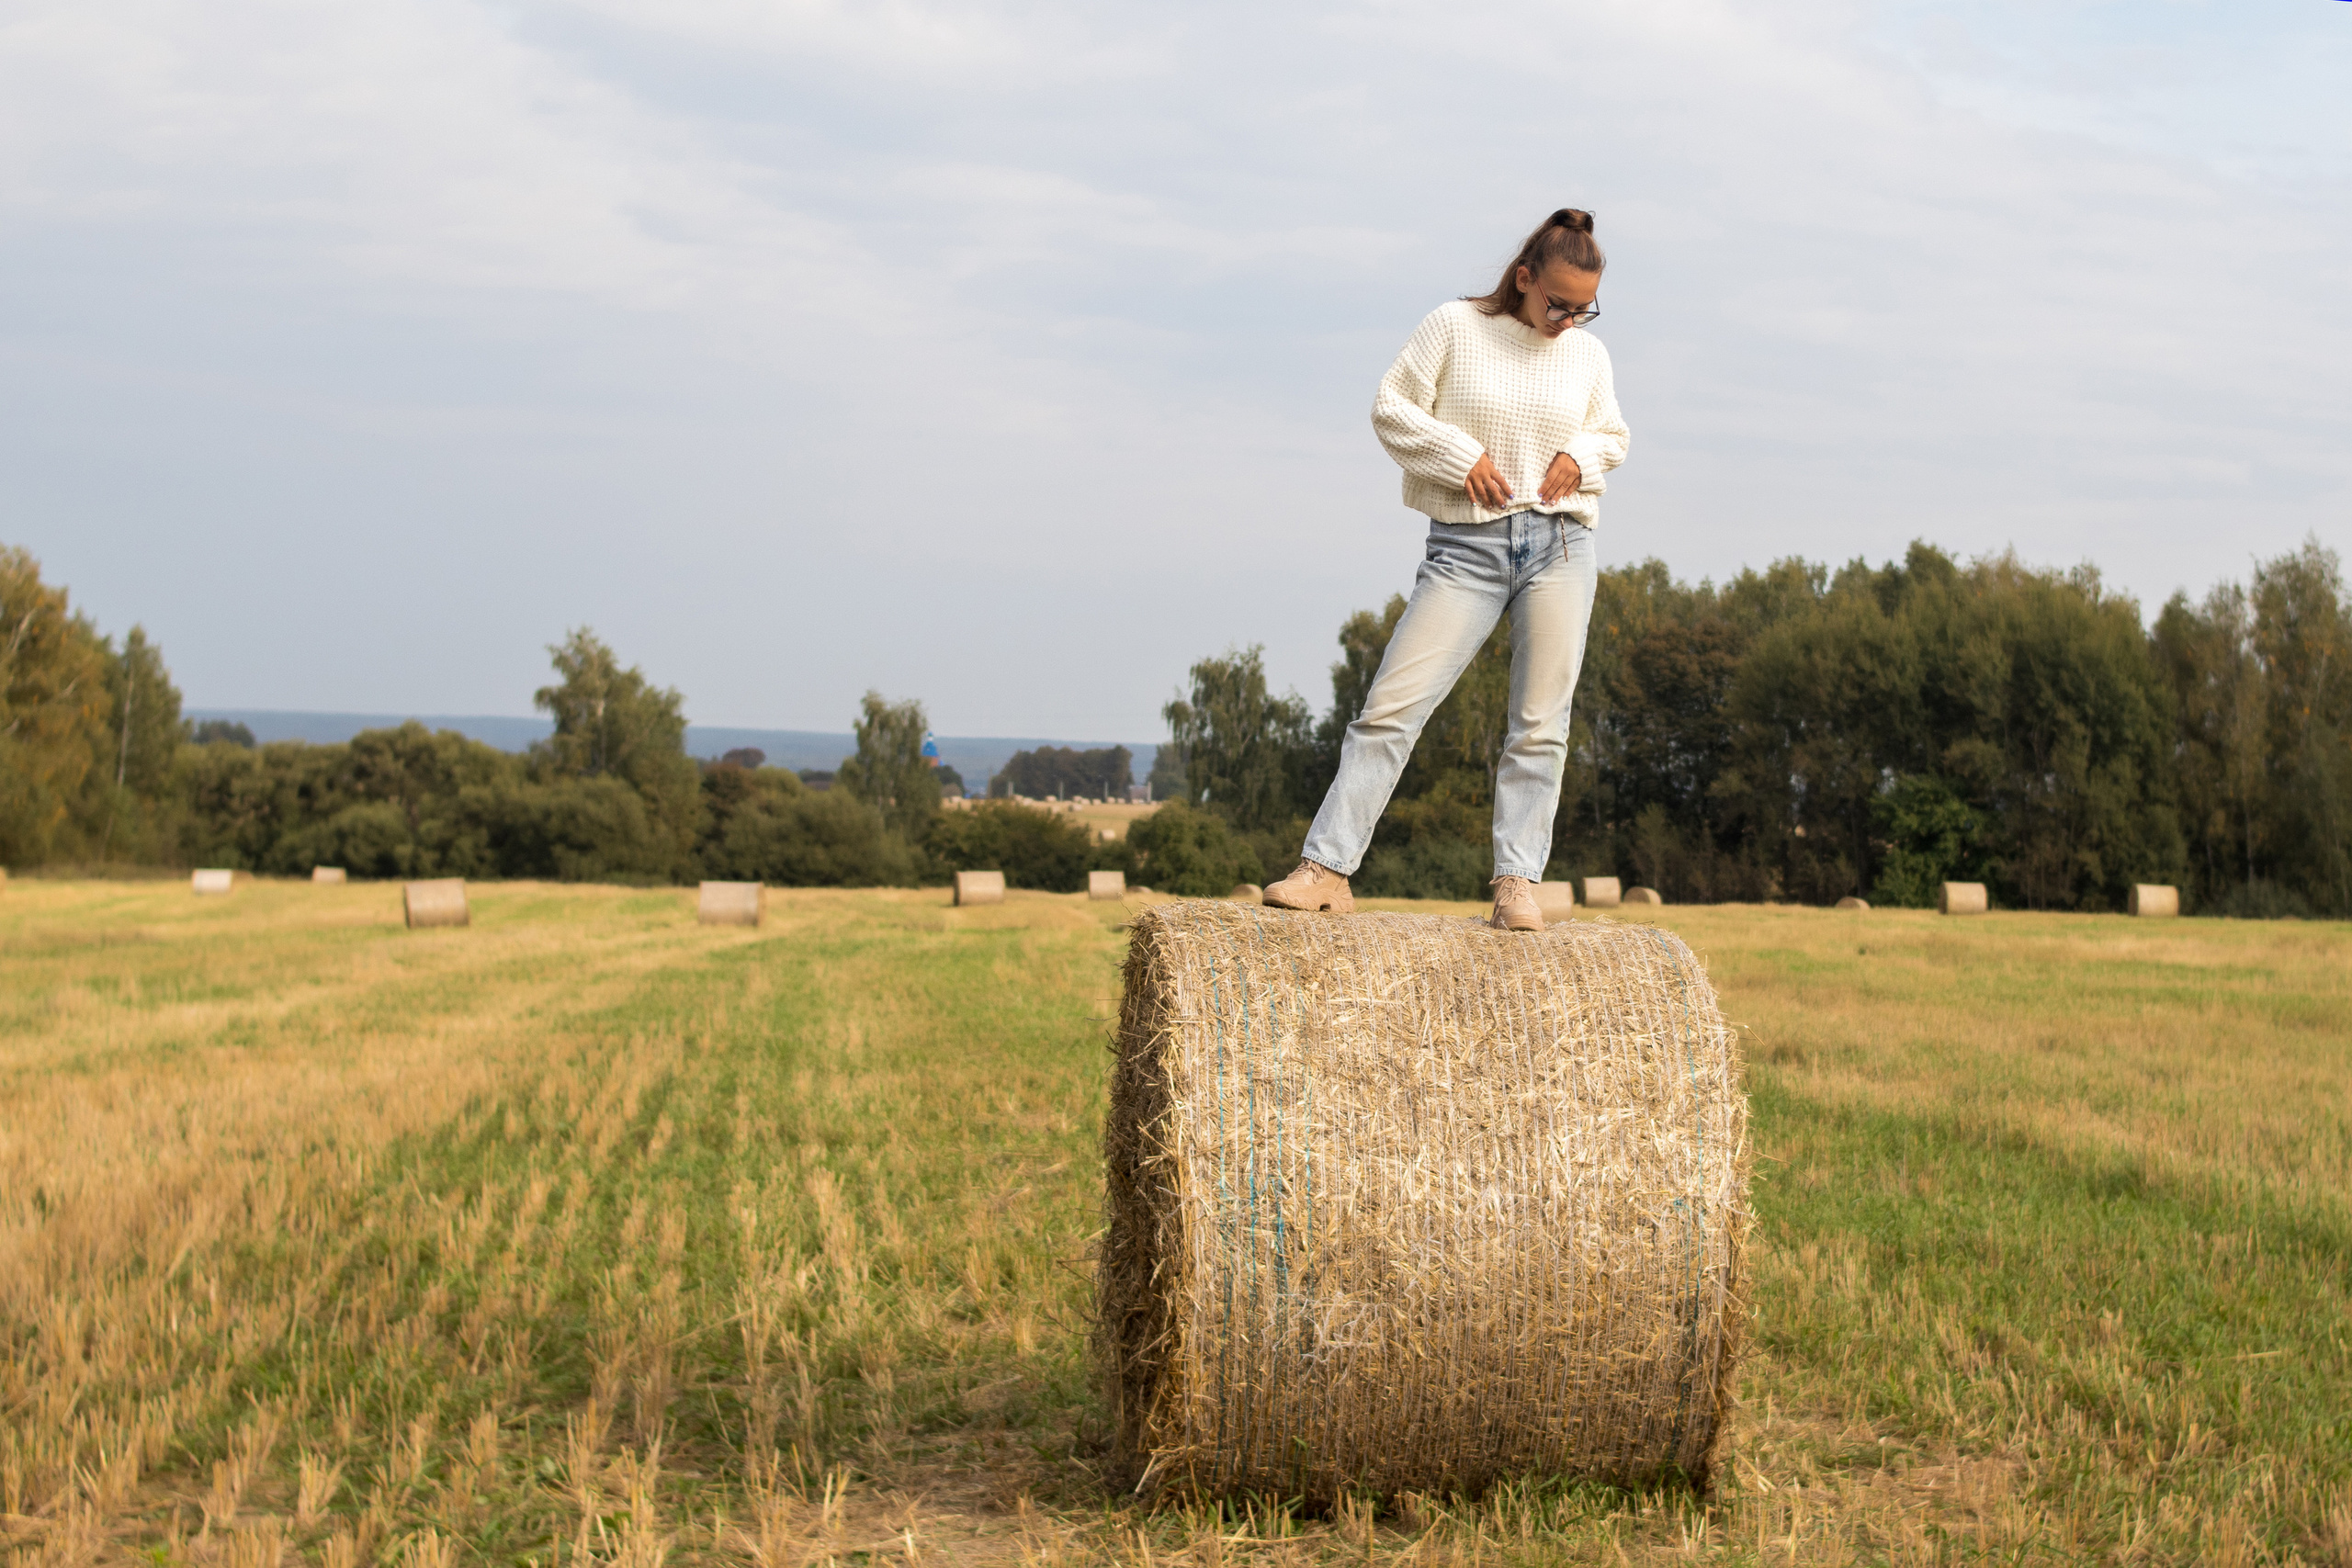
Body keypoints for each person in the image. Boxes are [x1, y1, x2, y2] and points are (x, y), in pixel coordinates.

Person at [1262, 208, 1628, 931]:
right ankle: (1327, 869)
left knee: (1540, 724)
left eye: (1583, 308)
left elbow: (1611, 434)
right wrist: (1462, 457)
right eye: (1556, 302)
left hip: (1560, 547)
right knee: (1389, 710)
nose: (1567, 320)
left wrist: (1578, 459)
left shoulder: (1588, 355)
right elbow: (1391, 409)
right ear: (1523, 278)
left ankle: (1518, 883)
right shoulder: (1454, 327)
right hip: (1468, 549)